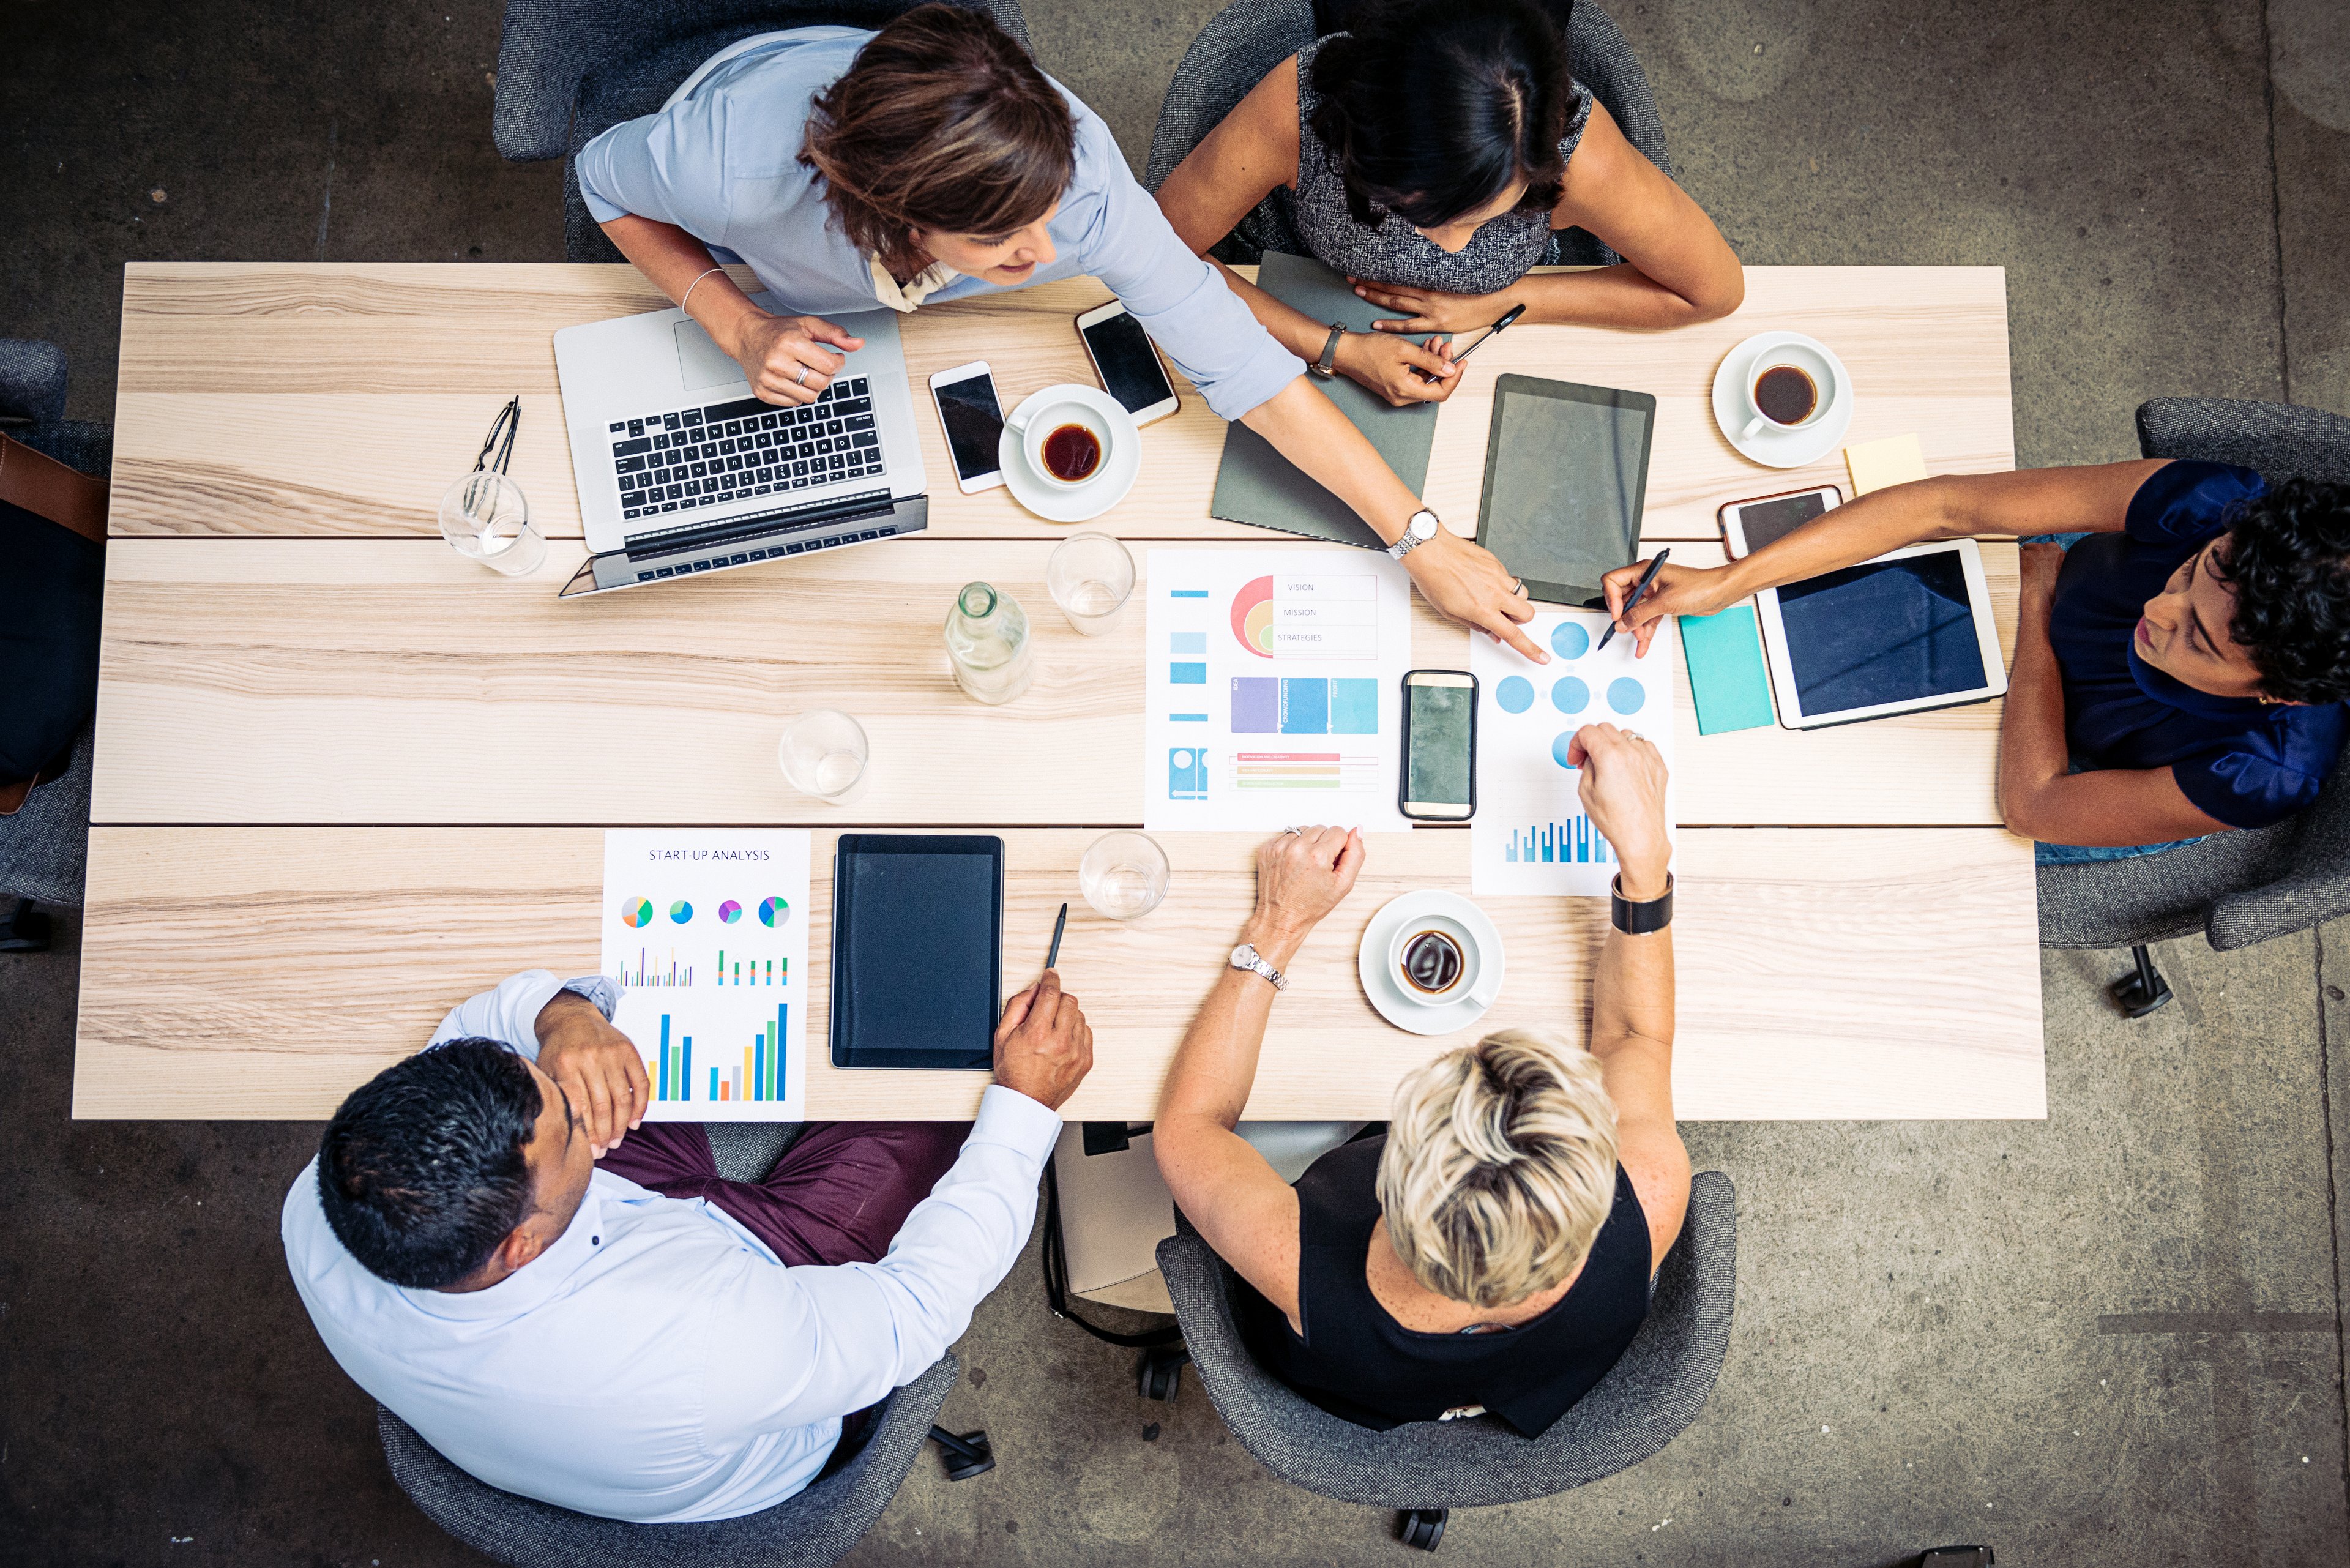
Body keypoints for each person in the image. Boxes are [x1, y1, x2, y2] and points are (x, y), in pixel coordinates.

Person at [576, 4, 1546, 661]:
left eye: (1049, 213)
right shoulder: (723, 166)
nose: (1051, 250)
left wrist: (1422, 540)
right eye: (1002, 238)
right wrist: (737, 322)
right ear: (895, 212)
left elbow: (1240, 365)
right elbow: (601, 183)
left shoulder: (1077, 185)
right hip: (758, 169)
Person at [281, 963, 1092, 1522]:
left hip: (636, 1278)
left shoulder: (332, 1198)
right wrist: (1024, 1105)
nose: (574, 1094)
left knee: (654, 1014)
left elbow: (464, 1034)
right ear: (521, 1244)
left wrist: (562, 1017)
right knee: (938, 1082)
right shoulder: (704, 1342)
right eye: (570, 1125)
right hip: (736, 1355)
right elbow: (911, 1310)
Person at [1152, 724, 1687, 1431]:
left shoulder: (1298, 1265)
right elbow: (1636, 1036)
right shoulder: (1649, 1195)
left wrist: (1278, 922)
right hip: (1535, 1377)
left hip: (1345, 1377)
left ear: (1388, 1174)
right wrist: (1647, 860)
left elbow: (1189, 1126)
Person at [1600, 463, 2350, 861]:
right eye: (2190, 572)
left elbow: (2034, 807)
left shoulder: (2265, 770)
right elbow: (1946, 507)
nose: (2159, 611)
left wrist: (2036, 607)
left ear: (2277, 696)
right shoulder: (2216, 505)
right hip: (2008, 609)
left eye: (2200, 642)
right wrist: (1729, 581)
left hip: (2068, 765)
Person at [1152, 0, 1742, 409]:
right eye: (1420, 214)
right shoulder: (1299, 111)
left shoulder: (1578, 153)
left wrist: (1503, 303)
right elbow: (1155, 255)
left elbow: (1715, 292)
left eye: (1482, 219)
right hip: (1298, 281)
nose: (1454, 245)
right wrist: (1337, 349)